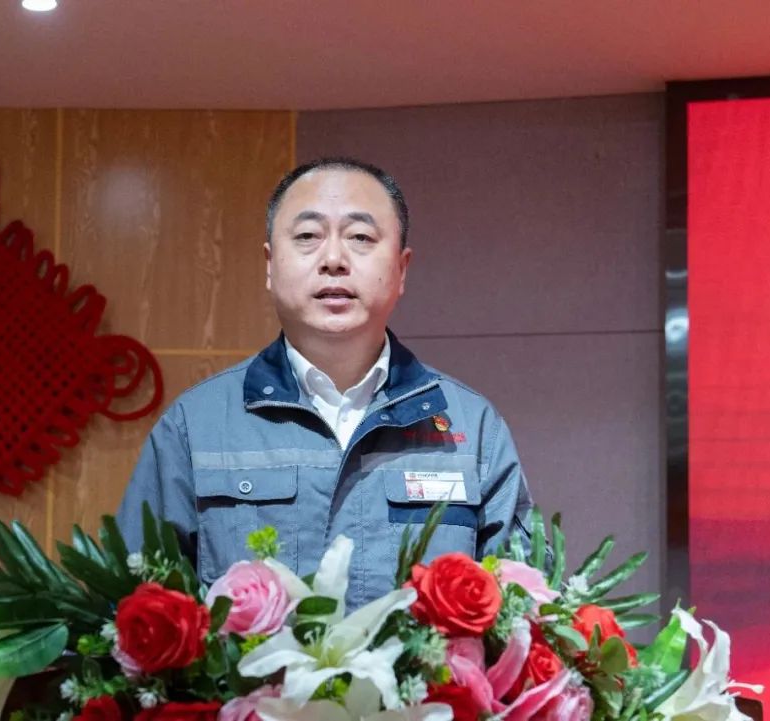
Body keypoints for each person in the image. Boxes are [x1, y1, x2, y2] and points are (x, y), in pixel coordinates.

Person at [116, 158, 541, 609]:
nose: (334, 260)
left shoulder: (471, 428)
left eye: (360, 238)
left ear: (402, 269)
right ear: (269, 265)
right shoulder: (195, 426)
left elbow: (522, 615)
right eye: (307, 236)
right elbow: (129, 606)